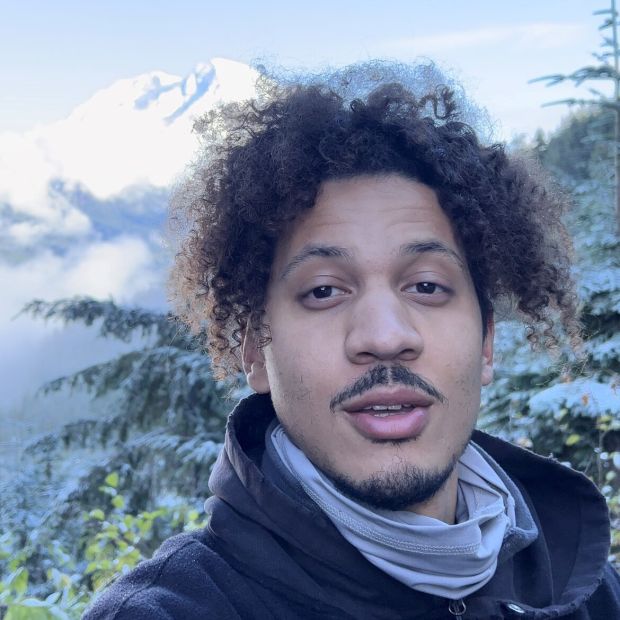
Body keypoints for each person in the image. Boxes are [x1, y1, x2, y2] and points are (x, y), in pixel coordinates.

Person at [83, 62, 620, 619]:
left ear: (486, 342)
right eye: (322, 292)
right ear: (254, 353)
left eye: (428, 285)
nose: (385, 337)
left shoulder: (587, 591)